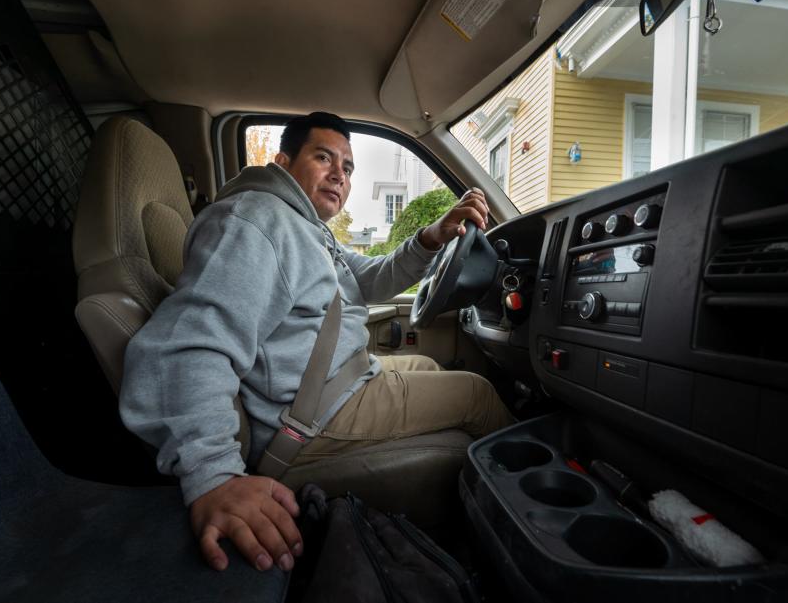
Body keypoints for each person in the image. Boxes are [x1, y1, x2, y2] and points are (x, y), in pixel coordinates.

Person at [119, 112, 514, 575]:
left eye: (347, 168)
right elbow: (188, 347)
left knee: (425, 363)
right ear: (284, 162)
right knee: (476, 394)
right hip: (311, 417)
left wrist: (430, 237)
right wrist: (214, 476)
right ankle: (521, 524)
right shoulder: (256, 222)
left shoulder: (306, 228)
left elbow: (369, 278)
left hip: (335, 384)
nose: (338, 175)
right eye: (323, 157)